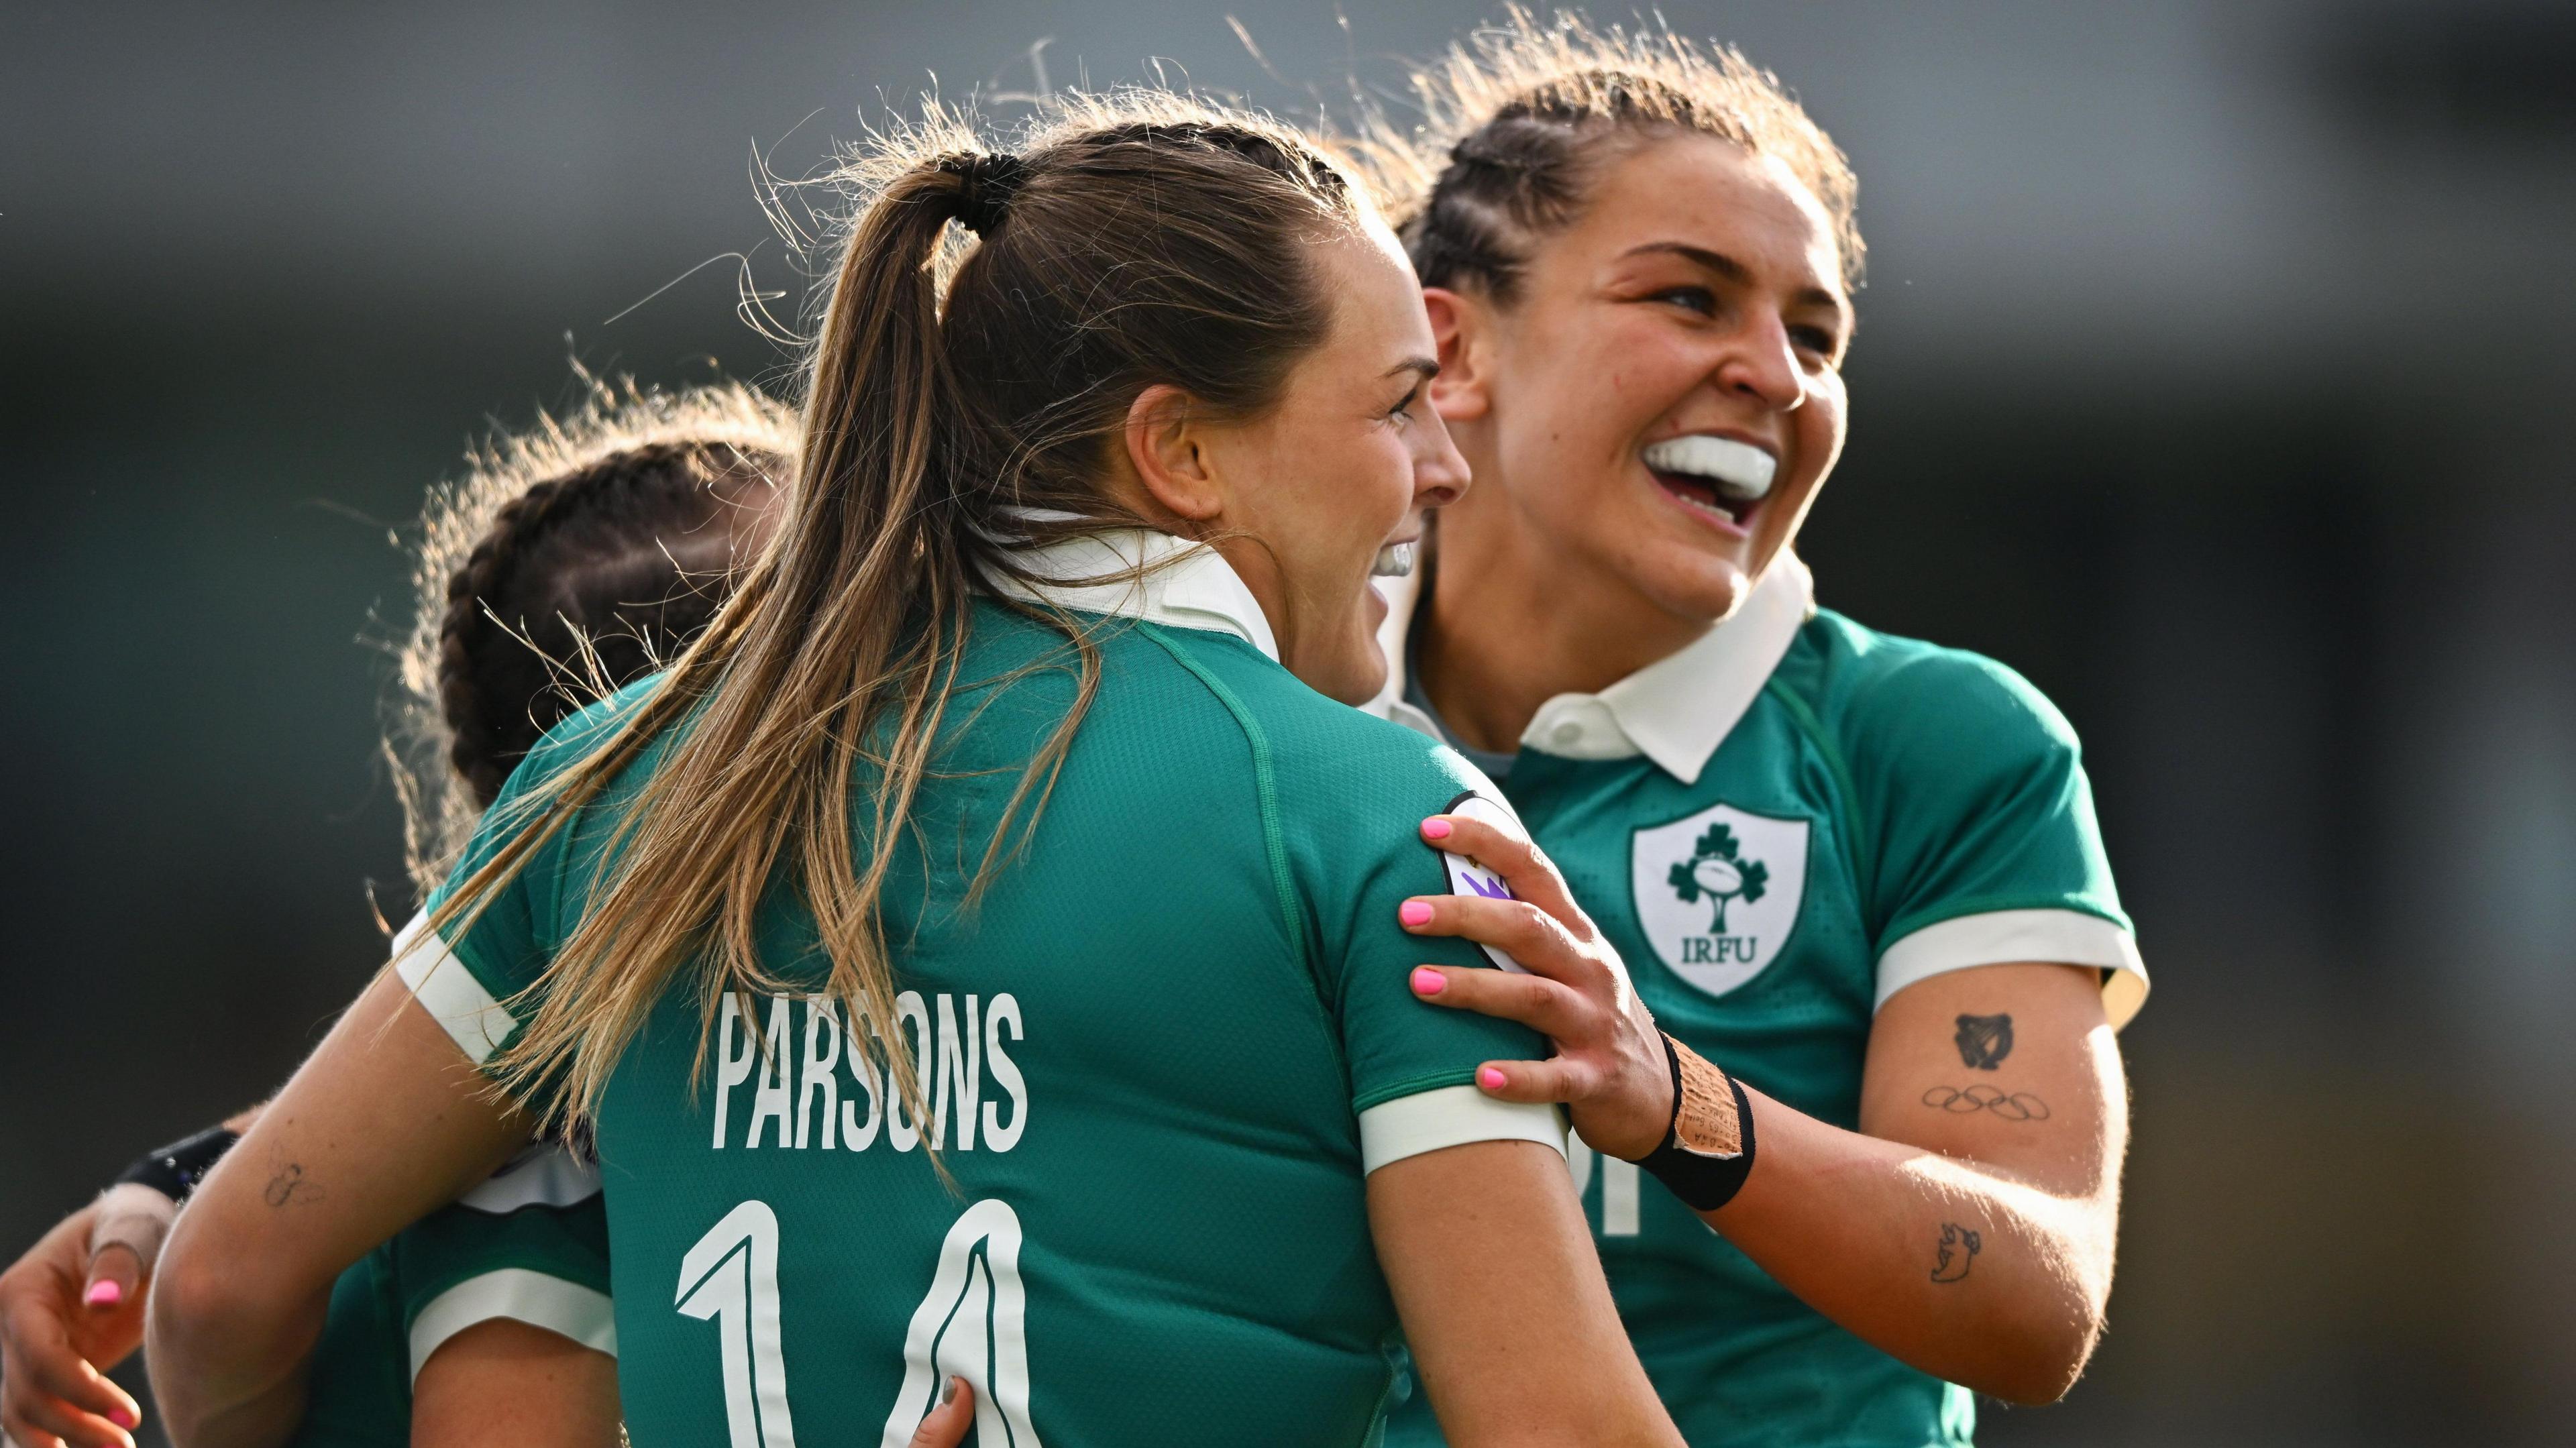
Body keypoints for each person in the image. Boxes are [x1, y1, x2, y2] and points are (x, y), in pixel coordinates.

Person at [142, 93, 1682, 1448]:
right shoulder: (1386, 819)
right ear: (1185, 455)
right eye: (1401, 402)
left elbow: (219, 1284)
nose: (1446, 466)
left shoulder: (626, 770)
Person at [1346, 16, 2146, 1447]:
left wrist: (1677, 1104)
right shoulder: (1286, 727)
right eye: (1693, 298)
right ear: (1450, 348)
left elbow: (2036, 1297)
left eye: (1816, 335)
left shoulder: (1935, 741)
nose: (1778, 375)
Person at [0, 381, 926, 1448]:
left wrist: (190, 1174)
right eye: (877, 638)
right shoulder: (552, 1198)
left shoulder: (637, 1098)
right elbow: (218, 1291)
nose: (952, 674)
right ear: (691, 790)